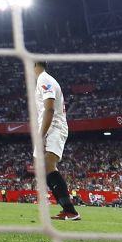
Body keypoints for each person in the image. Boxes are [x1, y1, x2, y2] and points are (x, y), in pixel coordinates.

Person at [33, 61, 80, 220]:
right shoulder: (43, 80)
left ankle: (70, 211)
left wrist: (41, 136)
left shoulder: (44, 79)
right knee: (41, 167)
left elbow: (50, 108)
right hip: (48, 126)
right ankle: (67, 209)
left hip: (54, 126)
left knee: (48, 164)